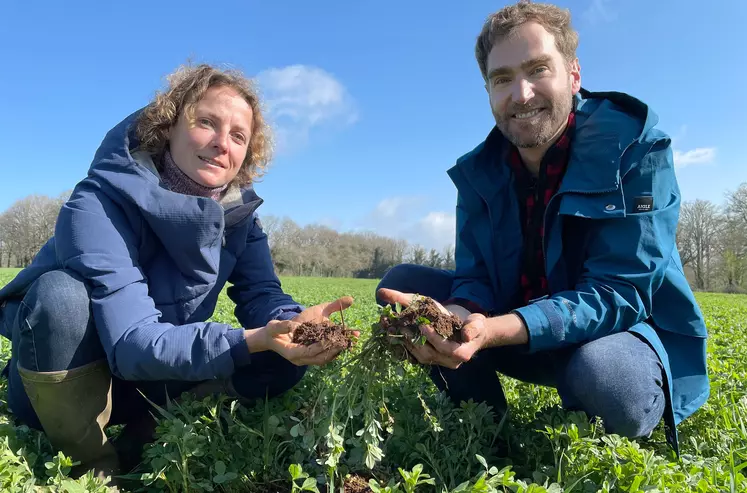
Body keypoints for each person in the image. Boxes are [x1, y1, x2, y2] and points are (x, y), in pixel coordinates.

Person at [377, 0, 708, 454]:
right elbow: (475, 275)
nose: (521, 93)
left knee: (606, 377)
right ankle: (486, 428)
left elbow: (621, 291)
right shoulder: (478, 173)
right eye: (502, 79)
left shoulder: (635, 148)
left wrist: (496, 329)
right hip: (516, 332)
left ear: (573, 74)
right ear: (489, 90)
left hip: (613, 338)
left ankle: (606, 404)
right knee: (404, 288)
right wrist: (459, 313)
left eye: (537, 69)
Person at [0, 64, 355, 478]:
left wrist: (291, 324)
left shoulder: (240, 220)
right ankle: (94, 466)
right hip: (69, 379)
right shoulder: (96, 205)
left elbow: (262, 296)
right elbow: (132, 341)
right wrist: (248, 339)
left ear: (246, 155)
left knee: (281, 356)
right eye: (207, 122)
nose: (222, 144)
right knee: (61, 296)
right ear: (168, 126)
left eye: (238, 136)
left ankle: (151, 428)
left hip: (151, 376)